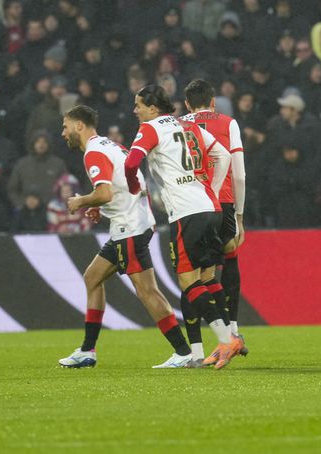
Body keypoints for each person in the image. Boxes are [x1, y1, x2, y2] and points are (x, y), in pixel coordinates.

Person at [57, 105, 193, 369]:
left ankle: (184, 351)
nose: (63, 133)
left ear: (79, 126)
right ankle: (87, 350)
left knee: (146, 291)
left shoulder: (93, 153)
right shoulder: (111, 145)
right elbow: (125, 182)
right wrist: (99, 206)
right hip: (132, 222)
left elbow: (106, 192)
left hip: (129, 227)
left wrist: (82, 201)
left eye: (65, 126)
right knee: (92, 277)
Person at [124, 84, 242, 370]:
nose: (135, 110)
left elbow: (131, 163)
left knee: (188, 283)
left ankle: (227, 340)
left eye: (138, 104)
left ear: (153, 108)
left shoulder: (150, 129)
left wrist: (134, 187)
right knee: (205, 277)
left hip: (186, 212)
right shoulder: (186, 125)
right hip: (210, 207)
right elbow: (223, 157)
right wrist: (211, 190)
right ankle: (222, 340)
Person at [181, 79, 248, 356]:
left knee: (191, 273)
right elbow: (239, 173)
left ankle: (195, 350)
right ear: (212, 101)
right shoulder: (228, 123)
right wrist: (240, 216)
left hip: (191, 203)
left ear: (186, 103)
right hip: (224, 200)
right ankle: (232, 330)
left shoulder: (177, 125)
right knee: (229, 256)